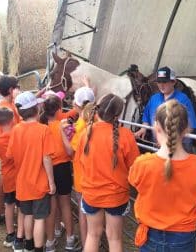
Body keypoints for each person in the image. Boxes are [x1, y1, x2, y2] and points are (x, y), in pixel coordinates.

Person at [128, 99, 196, 252]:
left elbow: (134, 182)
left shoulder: (143, 163)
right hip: (184, 237)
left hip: (151, 236)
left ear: (156, 127)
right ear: (186, 130)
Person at [78, 93, 140, 252]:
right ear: (118, 115)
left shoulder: (86, 133)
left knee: (93, 235)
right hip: (116, 196)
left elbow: (81, 162)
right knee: (115, 238)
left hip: (91, 194)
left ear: (98, 111)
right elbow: (135, 166)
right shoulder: (126, 136)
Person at [6, 91, 56, 252]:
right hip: (40, 182)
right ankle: (38, 248)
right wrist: (51, 181)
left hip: (22, 182)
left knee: (27, 214)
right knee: (40, 218)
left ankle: (28, 245)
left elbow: (11, 155)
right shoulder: (43, 130)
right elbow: (46, 158)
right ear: (36, 109)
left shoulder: (16, 130)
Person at [40, 95, 81, 252]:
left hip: (46, 169)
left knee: (51, 206)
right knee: (65, 204)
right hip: (62, 168)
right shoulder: (61, 126)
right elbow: (70, 150)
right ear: (58, 110)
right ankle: (70, 239)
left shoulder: (41, 127)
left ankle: (50, 242)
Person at [62, 86, 96, 248]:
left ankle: (86, 244)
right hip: (98, 176)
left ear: (76, 106)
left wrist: (63, 133)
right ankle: (95, 241)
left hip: (83, 177)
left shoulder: (82, 125)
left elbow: (71, 151)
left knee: (84, 213)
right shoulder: (98, 119)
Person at [135, 66, 196, 142]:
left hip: (178, 145)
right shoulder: (154, 98)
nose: (161, 85)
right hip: (155, 144)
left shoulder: (183, 100)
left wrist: (169, 142)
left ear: (174, 82)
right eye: (159, 82)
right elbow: (146, 117)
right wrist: (143, 128)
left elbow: (190, 126)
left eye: (164, 82)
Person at [0, 108, 24, 248]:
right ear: (12, 120)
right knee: (22, 207)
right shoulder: (17, 135)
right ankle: (20, 235)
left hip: (7, 178)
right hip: (20, 177)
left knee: (9, 205)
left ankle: (10, 233)